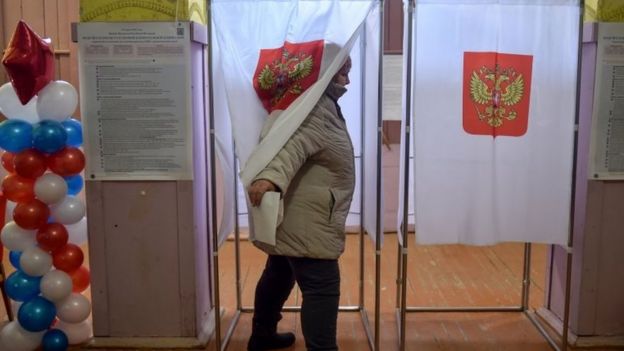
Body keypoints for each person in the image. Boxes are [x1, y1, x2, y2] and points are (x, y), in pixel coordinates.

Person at [246, 55, 354, 351]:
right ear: (328, 71)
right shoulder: (316, 108)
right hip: (309, 219)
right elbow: (292, 146)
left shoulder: (315, 102)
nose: (348, 77)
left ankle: (262, 337)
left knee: (279, 273)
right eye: (344, 69)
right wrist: (271, 178)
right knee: (322, 287)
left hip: (297, 213)